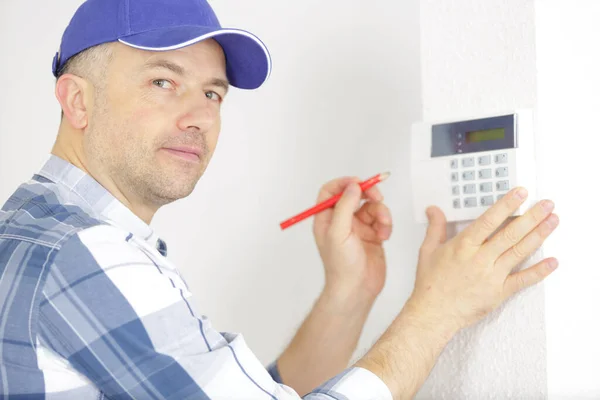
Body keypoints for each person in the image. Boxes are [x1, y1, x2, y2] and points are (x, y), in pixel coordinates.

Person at [0, 0, 560, 398]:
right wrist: (439, 310)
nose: (199, 117)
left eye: (212, 92)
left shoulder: (42, 227)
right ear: (77, 101)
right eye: (162, 82)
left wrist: (351, 291)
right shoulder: (82, 253)